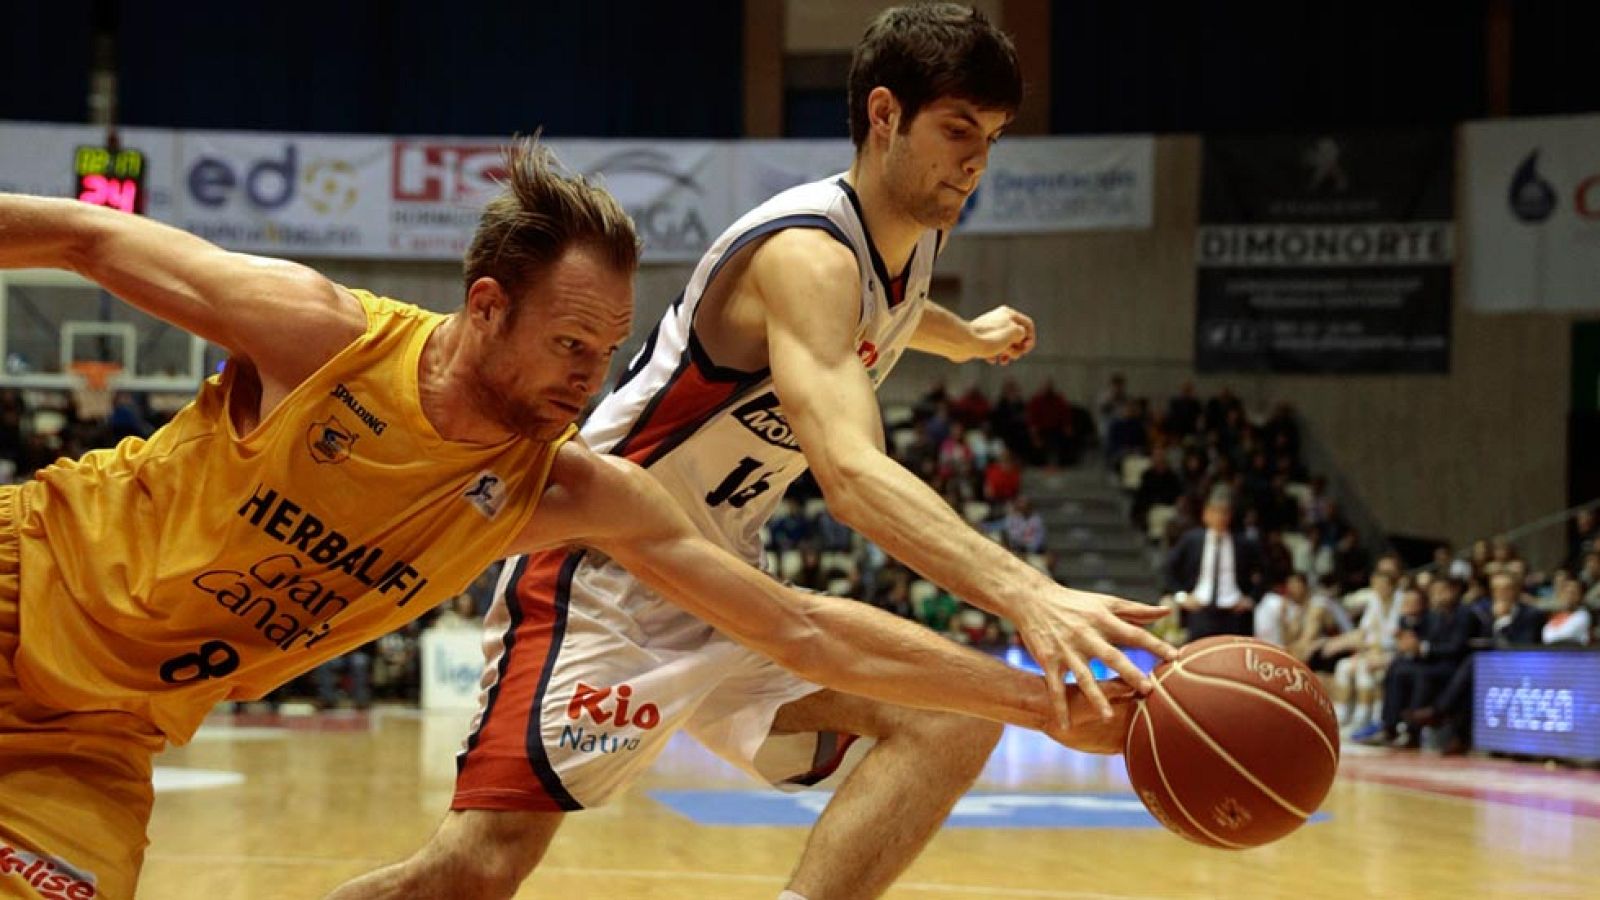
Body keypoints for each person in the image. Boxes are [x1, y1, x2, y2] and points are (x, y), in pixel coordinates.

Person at [0, 139, 1168, 900]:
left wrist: (1038, 700)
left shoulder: (570, 490)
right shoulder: (320, 335)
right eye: (566, 347)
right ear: (486, 306)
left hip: (97, 742)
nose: (585, 380)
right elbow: (83, 236)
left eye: (604, 354)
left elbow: (799, 631)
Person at [330, 8, 1171, 900]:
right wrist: (1030, 596)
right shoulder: (806, 255)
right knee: (475, 870)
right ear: (883, 116)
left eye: (992, 139)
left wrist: (964, 337)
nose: (976, 163)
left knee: (949, 723)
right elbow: (850, 478)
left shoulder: (911, 239)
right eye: (957, 131)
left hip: (723, 575)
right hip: (607, 564)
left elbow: (888, 312)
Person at [1164, 488, 1264, 640]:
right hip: (1199, 609)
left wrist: (1251, 599)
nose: (1220, 517)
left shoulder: (1243, 544)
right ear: (1206, 514)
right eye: (1216, 512)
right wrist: (1181, 596)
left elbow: (1266, 571)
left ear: (1230, 516)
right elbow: (1168, 569)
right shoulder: (1192, 540)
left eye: (1224, 513)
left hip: (1234, 611)